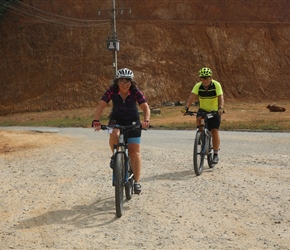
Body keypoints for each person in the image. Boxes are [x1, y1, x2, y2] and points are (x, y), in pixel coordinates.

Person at [92, 68, 150, 194]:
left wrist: (146, 120)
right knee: (114, 133)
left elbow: (145, 107)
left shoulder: (135, 92)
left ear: (131, 82)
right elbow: (101, 105)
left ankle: (137, 181)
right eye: (122, 81)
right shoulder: (112, 91)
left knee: (134, 152)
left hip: (133, 121)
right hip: (116, 120)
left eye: (127, 81)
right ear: (117, 82)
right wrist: (96, 120)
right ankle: (115, 156)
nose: (125, 84)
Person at [184, 67, 224, 164]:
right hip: (203, 110)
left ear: (211, 78)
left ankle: (215, 154)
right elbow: (191, 97)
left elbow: (220, 97)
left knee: (214, 131)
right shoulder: (198, 86)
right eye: (202, 78)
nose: (205, 81)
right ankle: (201, 136)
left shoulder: (216, 85)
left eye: (206, 78)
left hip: (214, 111)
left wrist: (220, 108)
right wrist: (186, 107)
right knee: (199, 119)